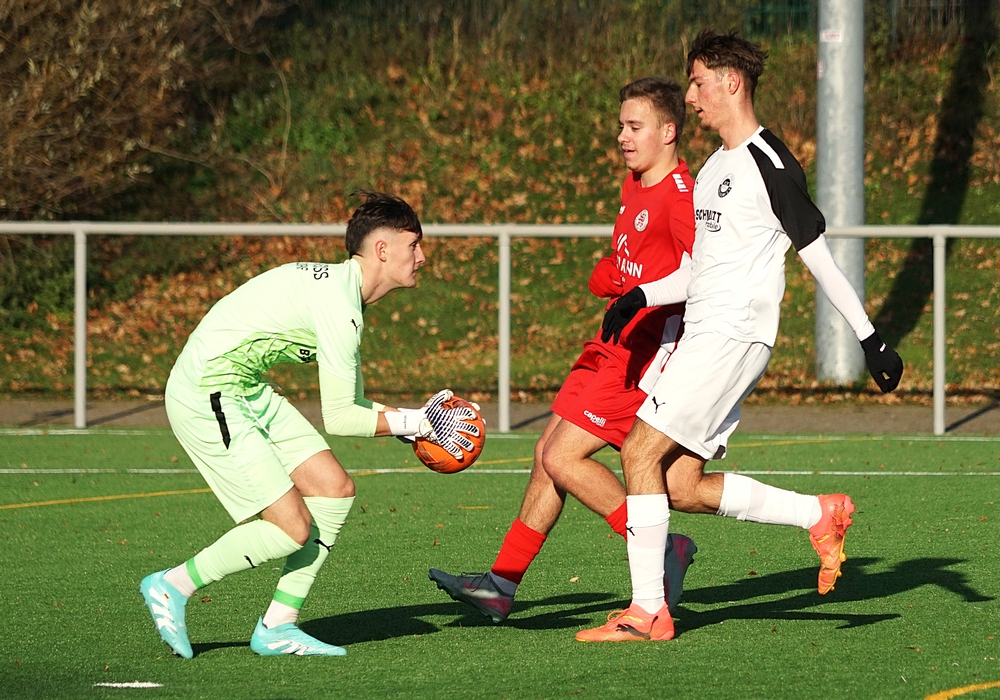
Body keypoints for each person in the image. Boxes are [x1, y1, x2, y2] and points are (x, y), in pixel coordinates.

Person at [577, 29, 904, 643]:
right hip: (706, 331)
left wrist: (870, 338)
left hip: (732, 335)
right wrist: (643, 296)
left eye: (698, 83)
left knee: (638, 452)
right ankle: (818, 514)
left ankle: (647, 612)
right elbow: (700, 269)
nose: (691, 97)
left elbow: (817, 256)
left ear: (731, 83)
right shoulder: (713, 168)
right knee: (678, 484)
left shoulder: (770, 163)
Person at [139, 191, 476, 657]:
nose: (422, 256)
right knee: (291, 529)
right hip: (207, 390)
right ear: (382, 250)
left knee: (333, 488)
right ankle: (173, 584)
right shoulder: (340, 308)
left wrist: (413, 425)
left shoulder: (344, 296)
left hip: (244, 387)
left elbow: (353, 403)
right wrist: (418, 422)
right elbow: (339, 418)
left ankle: (277, 626)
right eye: (414, 245)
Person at [428, 77, 699, 624]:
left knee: (562, 457)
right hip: (610, 343)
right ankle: (501, 585)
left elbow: (699, 276)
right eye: (620, 125)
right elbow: (635, 261)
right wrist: (613, 274)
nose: (622, 136)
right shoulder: (633, 184)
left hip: (644, 354)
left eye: (635, 126)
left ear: (669, 131)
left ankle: (664, 548)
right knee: (544, 455)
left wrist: (642, 292)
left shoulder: (680, 196)